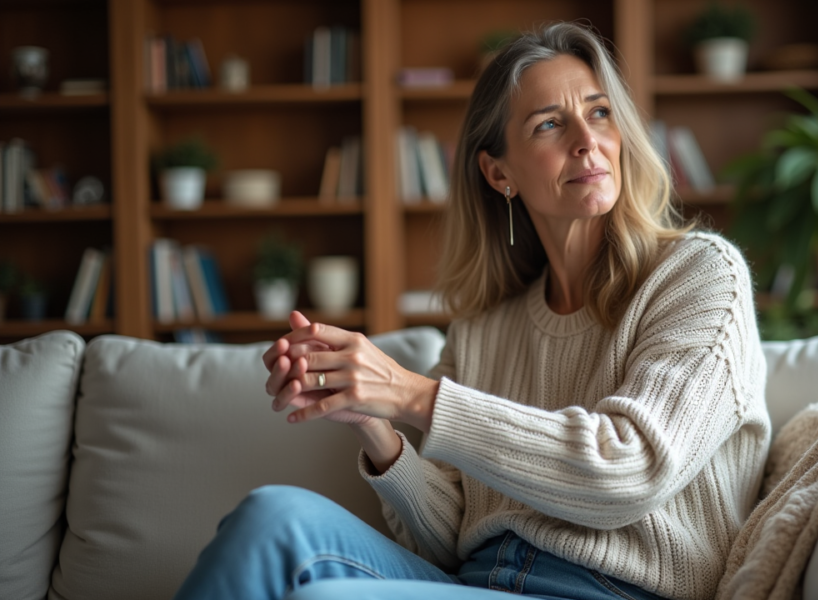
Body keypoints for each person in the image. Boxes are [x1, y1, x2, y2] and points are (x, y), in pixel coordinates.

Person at [173, 22, 770, 600]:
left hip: (610, 590)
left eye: (599, 112)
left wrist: (410, 394)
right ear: (498, 172)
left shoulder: (699, 275)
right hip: (475, 582)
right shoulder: (485, 327)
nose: (586, 141)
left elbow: (632, 468)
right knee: (271, 515)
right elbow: (450, 537)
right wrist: (371, 423)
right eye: (549, 124)